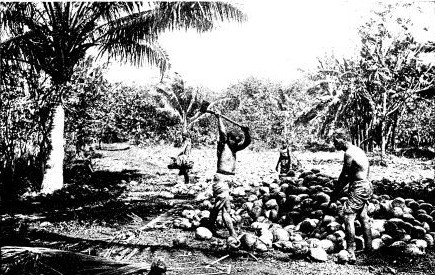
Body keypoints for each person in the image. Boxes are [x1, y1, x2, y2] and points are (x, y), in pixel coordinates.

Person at [330, 129, 373, 264]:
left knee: (348, 217)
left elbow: (345, 175)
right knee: (363, 217)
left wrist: (335, 193)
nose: (335, 145)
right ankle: (369, 248)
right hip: (366, 185)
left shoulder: (349, 153)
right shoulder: (358, 150)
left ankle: (350, 252)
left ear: (342, 140)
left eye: (336, 142)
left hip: (359, 187)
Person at [207, 113, 251, 240]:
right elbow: (222, 133)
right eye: (234, 140)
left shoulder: (234, 148)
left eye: (237, 141)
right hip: (221, 179)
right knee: (226, 208)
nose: (236, 142)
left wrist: (246, 133)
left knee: (219, 205)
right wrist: (219, 118)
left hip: (228, 181)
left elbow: (247, 143)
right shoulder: (223, 145)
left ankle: (210, 225)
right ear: (229, 139)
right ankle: (232, 233)